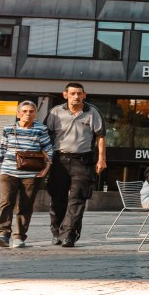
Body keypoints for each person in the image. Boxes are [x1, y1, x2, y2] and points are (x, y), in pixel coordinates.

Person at [44, 82, 107, 247]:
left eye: (79, 93)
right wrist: (45, 159)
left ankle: (69, 234)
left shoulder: (92, 112)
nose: (76, 96)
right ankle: (56, 232)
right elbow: (45, 136)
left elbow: (100, 136)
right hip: (59, 160)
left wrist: (101, 159)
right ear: (65, 95)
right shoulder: (55, 112)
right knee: (57, 198)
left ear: (84, 95)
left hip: (83, 160)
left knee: (77, 198)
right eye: (72, 93)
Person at [0, 101, 53, 248]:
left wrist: (46, 168)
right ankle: (3, 235)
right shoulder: (8, 129)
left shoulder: (41, 129)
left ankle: (19, 237)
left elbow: (48, 149)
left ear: (36, 114)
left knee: (26, 204)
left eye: (31, 111)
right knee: (6, 203)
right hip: (8, 171)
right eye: (24, 111)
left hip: (31, 174)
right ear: (18, 114)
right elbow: (1, 150)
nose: (28, 114)